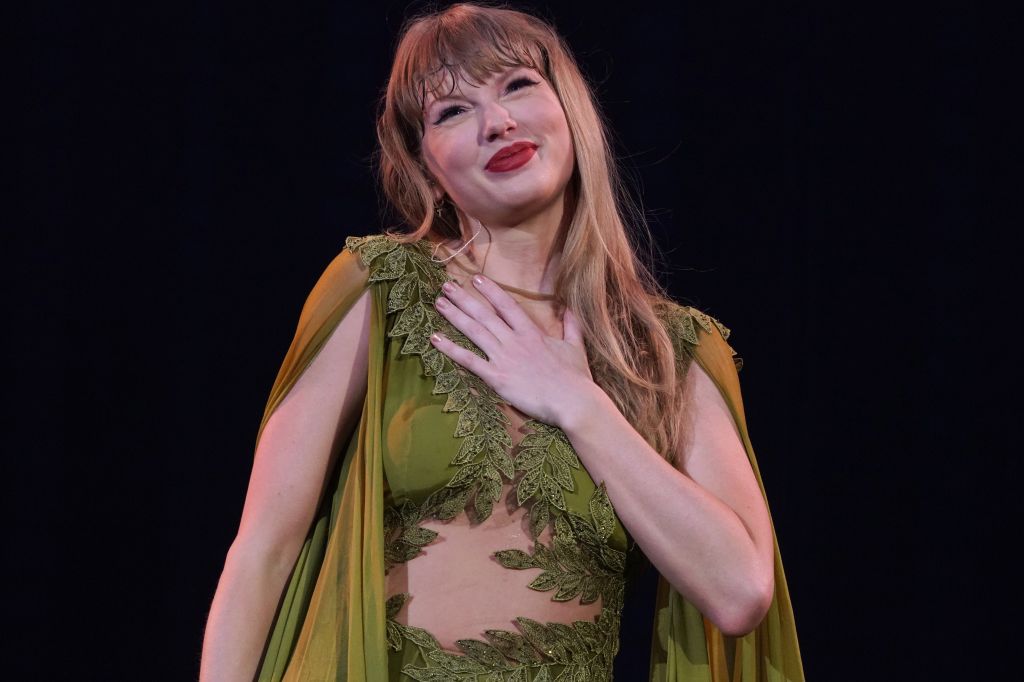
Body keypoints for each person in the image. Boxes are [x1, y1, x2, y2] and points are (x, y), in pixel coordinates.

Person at [199, 3, 804, 681]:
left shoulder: (670, 351)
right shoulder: (381, 288)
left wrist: (578, 403)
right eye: (451, 112)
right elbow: (263, 550)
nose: (498, 122)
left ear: (568, 106)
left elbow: (741, 592)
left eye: (517, 85)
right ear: (426, 164)